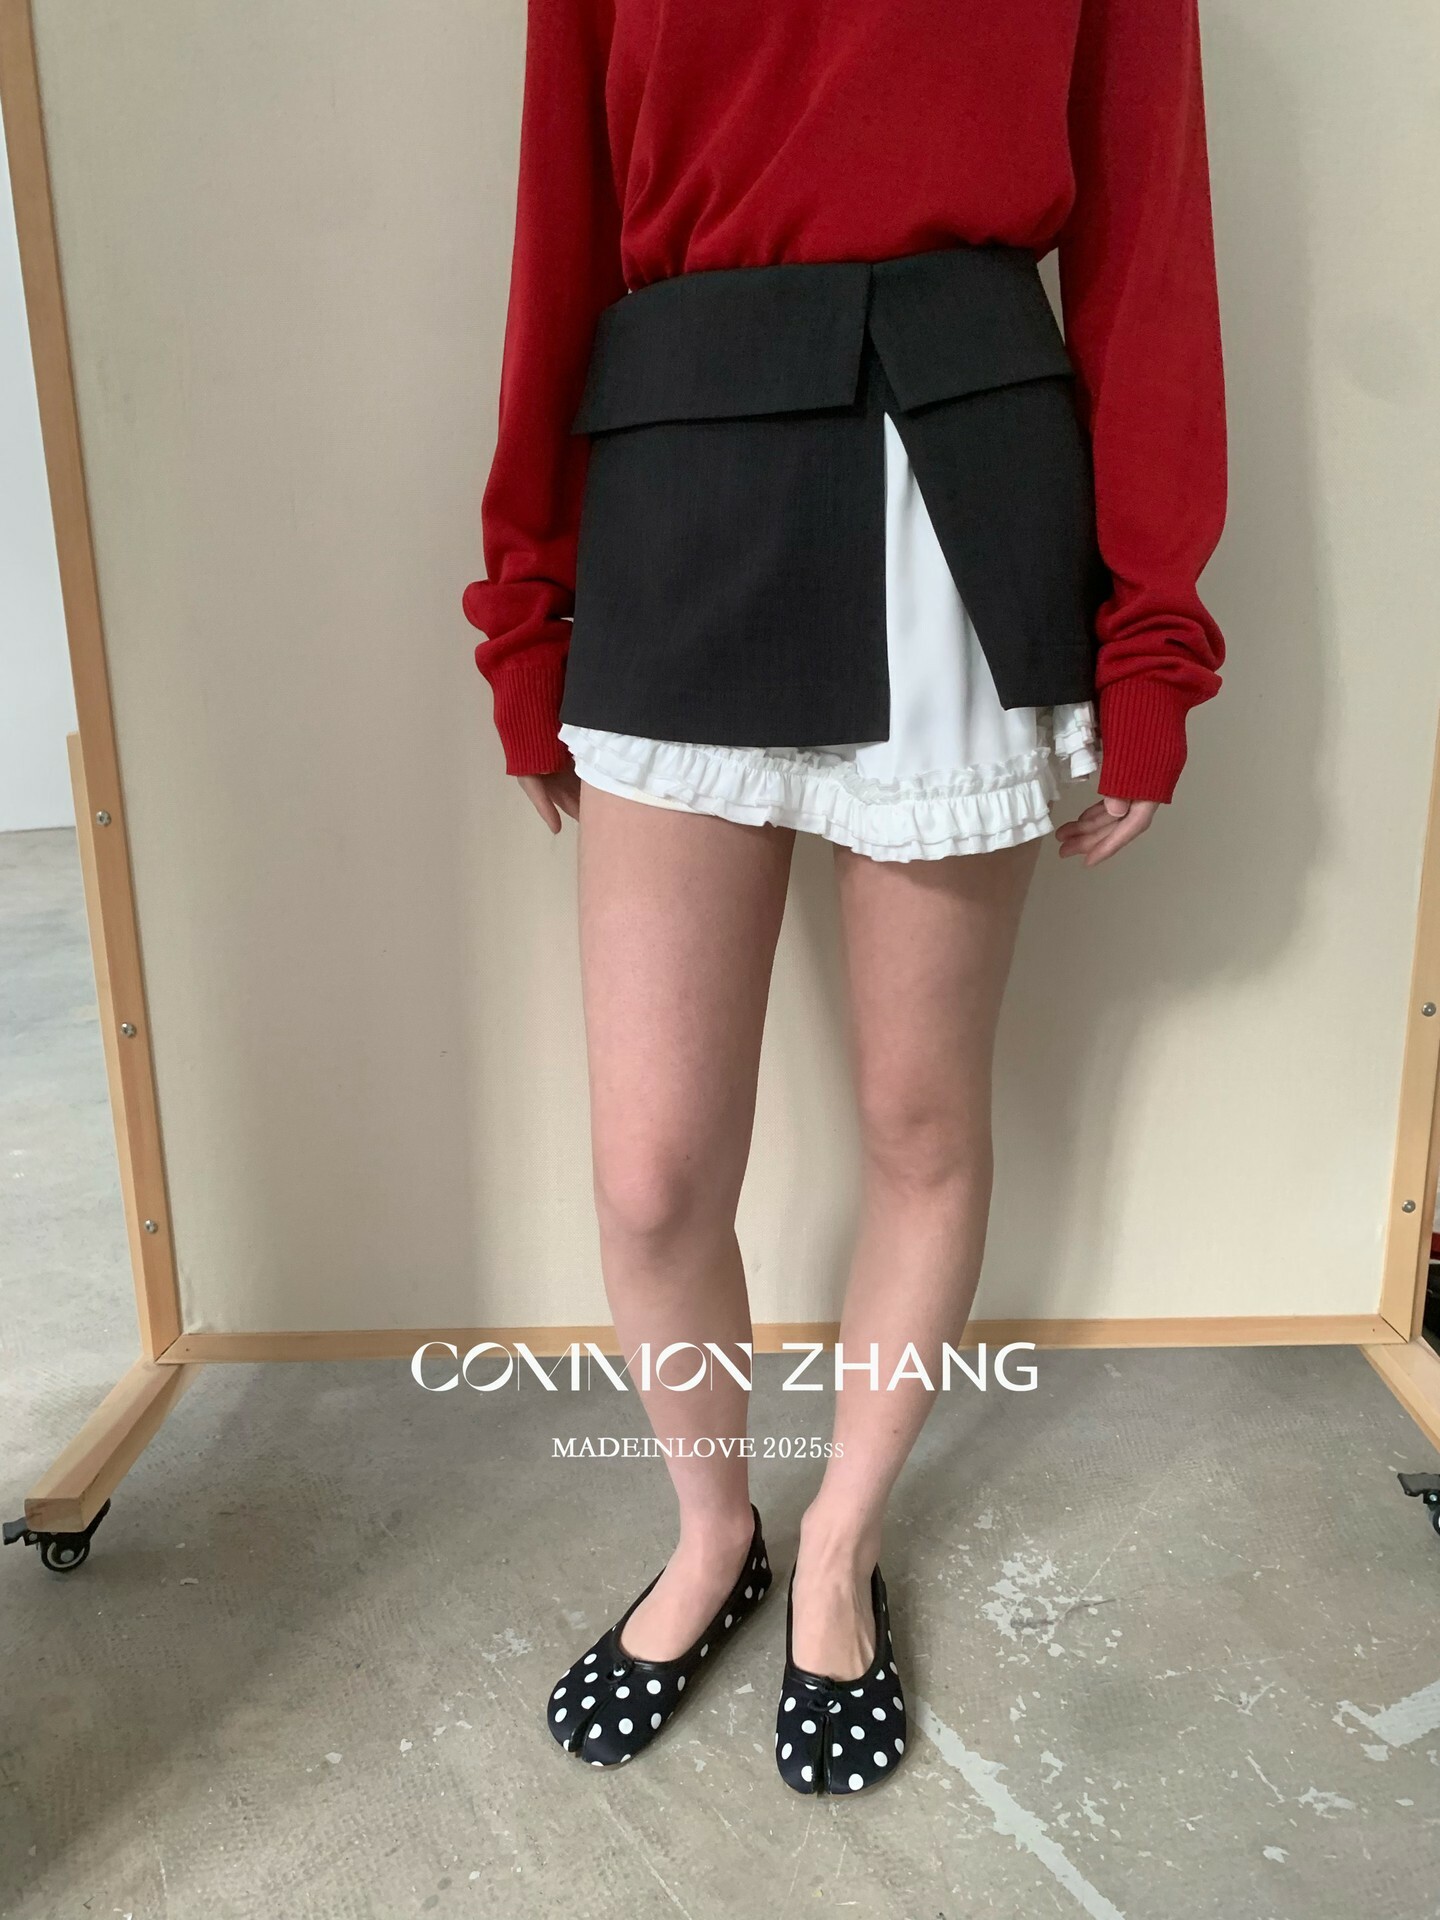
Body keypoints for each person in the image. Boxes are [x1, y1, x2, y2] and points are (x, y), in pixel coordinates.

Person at [463, 0, 1226, 1797]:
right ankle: (711, 1529)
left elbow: (1148, 237)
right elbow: (559, 217)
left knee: (918, 1119)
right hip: (681, 469)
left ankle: (837, 1551)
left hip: (961, 474)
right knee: (654, 1172)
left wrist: (1153, 634)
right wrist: (527, 602)